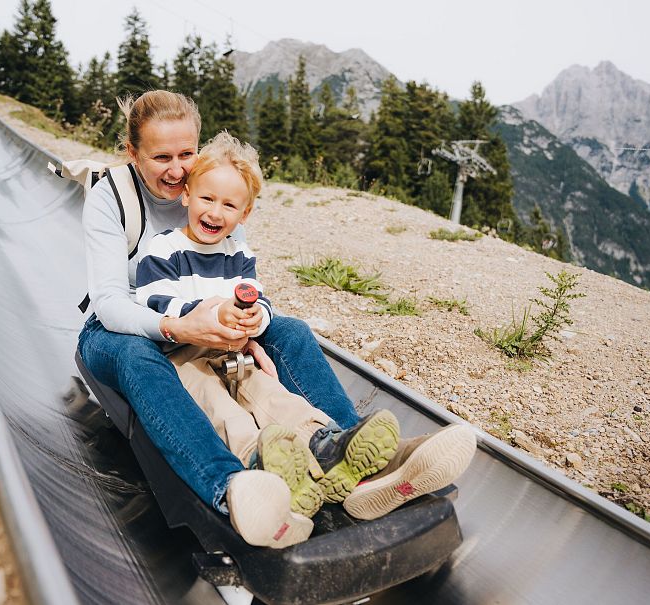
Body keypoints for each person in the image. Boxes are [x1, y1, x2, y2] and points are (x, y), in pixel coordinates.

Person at [76, 90, 476, 549]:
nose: (177, 168)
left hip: (211, 331)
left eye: (187, 153)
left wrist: (246, 325)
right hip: (123, 330)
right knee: (141, 355)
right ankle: (232, 488)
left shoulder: (218, 190)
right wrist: (180, 327)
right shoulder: (113, 197)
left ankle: (352, 455)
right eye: (160, 156)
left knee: (289, 331)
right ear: (133, 153)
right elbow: (109, 302)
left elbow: (240, 277)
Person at [135, 130, 403, 522]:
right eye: (207, 198)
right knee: (220, 406)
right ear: (187, 195)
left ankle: (324, 443)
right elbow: (155, 300)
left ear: (244, 214)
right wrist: (211, 314)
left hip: (234, 351)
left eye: (229, 205)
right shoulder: (163, 248)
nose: (215, 213)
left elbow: (259, 300)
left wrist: (255, 317)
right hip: (183, 355)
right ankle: (259, 458)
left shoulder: (239, 254)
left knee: (269, 392)